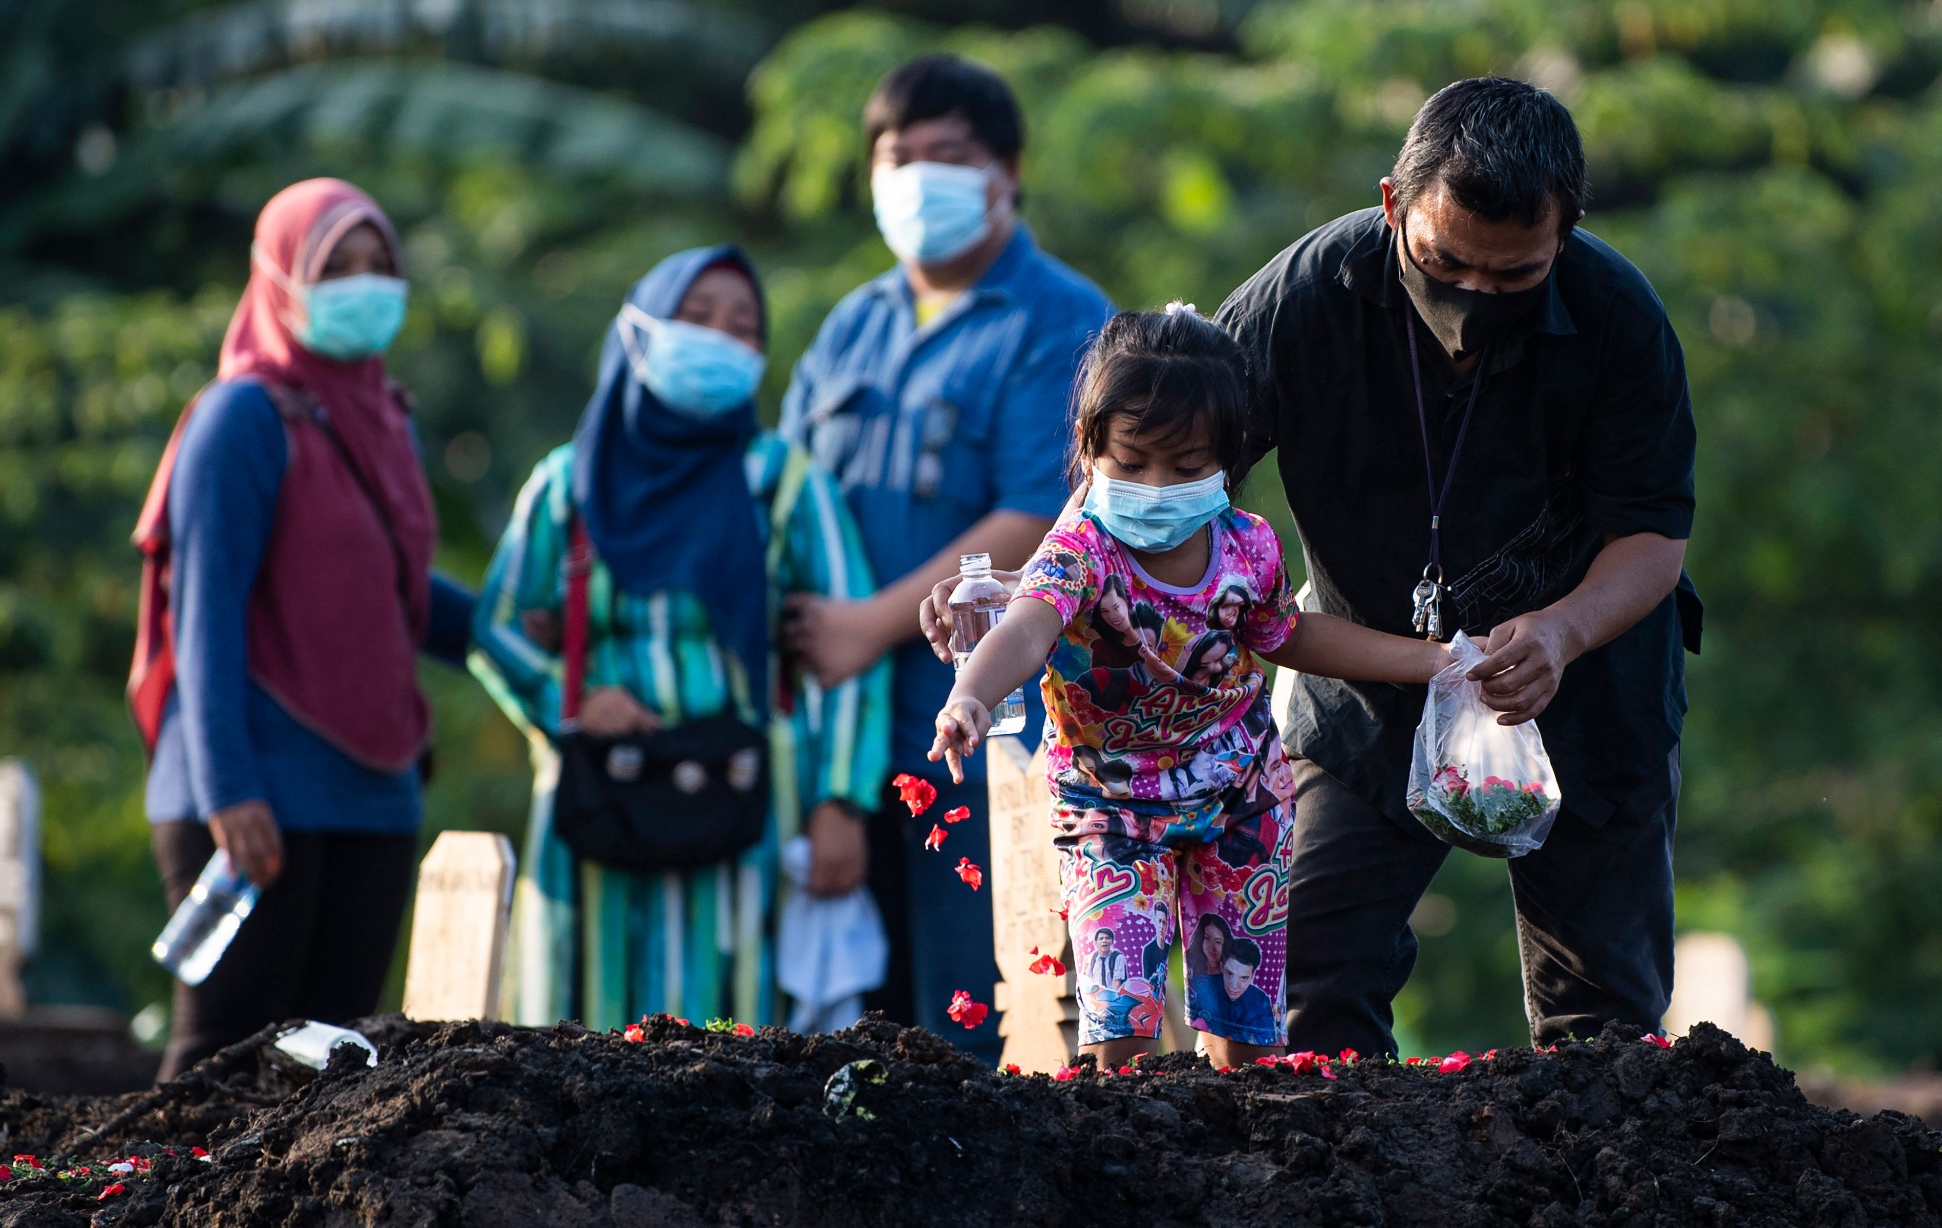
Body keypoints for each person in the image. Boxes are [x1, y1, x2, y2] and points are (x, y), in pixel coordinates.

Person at [1206, 77, 1698, 1056]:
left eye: (1511, 278)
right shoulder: (1299, 300)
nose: (1469, 299)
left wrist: (1557, 631)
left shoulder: (1617, 319)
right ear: (1391, 203)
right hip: (1364, 694)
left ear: (1566, 230)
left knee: (1601, 1033)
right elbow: (1164, 475)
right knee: (1304, 988)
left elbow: (1652, 535)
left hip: (1583, 685)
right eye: (1439, 262)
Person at [929, 307, 1450, 1068]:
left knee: (1248, 1027)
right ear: (1090, 448)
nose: (1157, 486)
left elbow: (1291, 633)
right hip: (1109, 808)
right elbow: (1026, 629)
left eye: (1186, 466)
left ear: (1228, 463)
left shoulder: (1250, 546)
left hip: (1240, 796)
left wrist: (1429, 661)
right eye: (1132, 463)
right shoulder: (1079, 551)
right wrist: (970, 697)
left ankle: (1240, 1168)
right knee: (1124, 1023)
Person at [779, 53, 1115, 1057]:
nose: (921, 175)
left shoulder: (1059, 315)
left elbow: (1041, 513)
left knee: (985, 1019)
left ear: (1006, 170)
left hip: (994, 728)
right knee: (844, 1032)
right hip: (841, 744)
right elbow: (787, 495)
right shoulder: (854, 321)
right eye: (900, 156)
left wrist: (862, 627)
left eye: (949, 155)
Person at [471, 246, 890, 1030]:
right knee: (580, 1039)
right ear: (638, 331)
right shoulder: (568, 484)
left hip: (746, 807)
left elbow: (847, 656)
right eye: (695, 318)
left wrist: (841, 802)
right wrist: (572, 703)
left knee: (735, 1052)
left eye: (743, 328)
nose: (719, 340)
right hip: (598, 802)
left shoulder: (783, 482)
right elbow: (496, 625)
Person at [127, 178, 474, 1080]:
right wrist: (229, 789)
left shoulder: (381, 414)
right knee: (223, 1064)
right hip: (253, 798)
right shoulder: (241, 417)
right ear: (279, 280)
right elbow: (202, 611)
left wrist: (530, 629)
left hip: (372, 793)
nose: (364, 285)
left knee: (332, 1071)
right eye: (336, 267)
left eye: (379, 265)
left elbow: (392, 591)